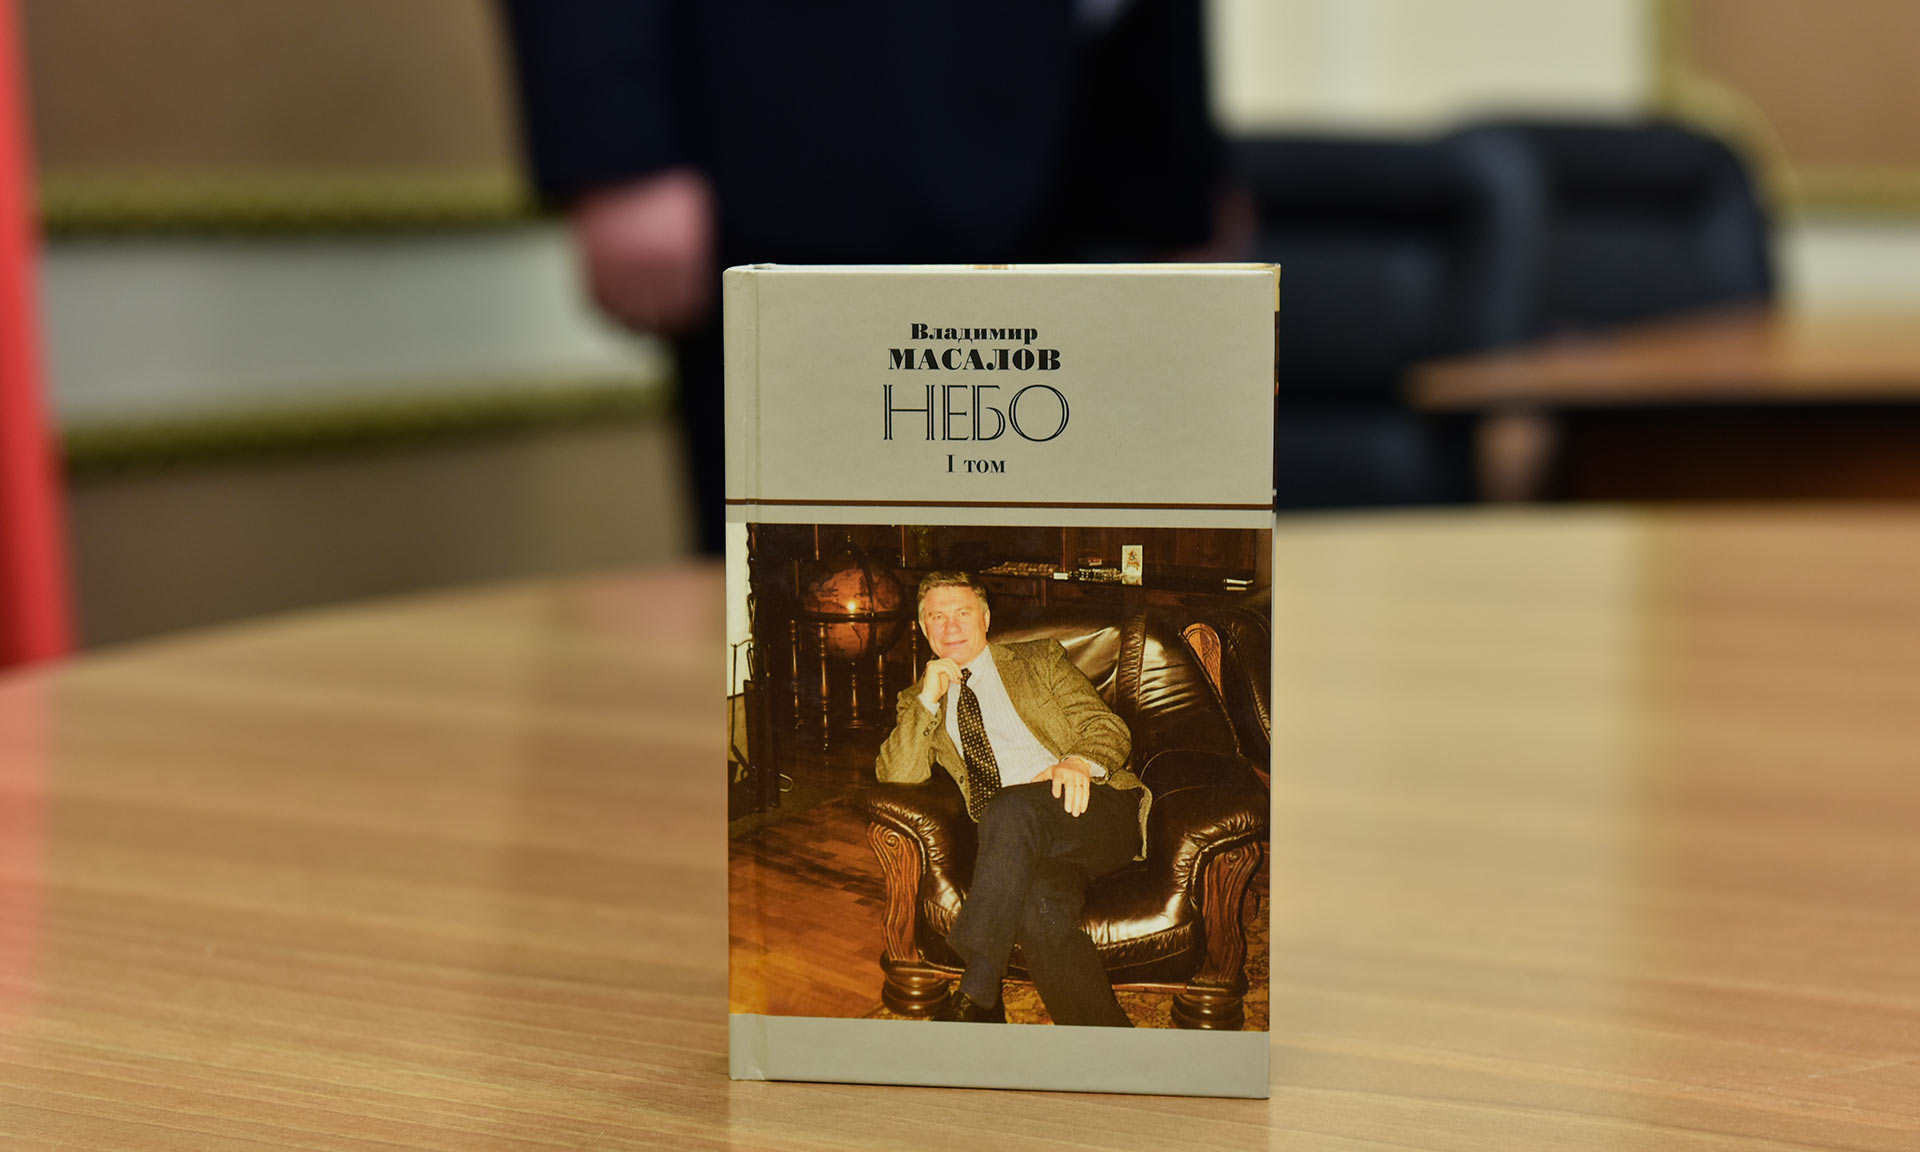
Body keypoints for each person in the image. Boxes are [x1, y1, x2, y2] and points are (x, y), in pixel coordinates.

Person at [495, 1, 1234, 554]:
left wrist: (1181, 173)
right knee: (815, 586)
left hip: (1082, 142)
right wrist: (615, 138)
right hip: (806, 135)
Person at [876, 572, 1151, 1026]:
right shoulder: (919, 699)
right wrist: (927, 701)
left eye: (962, 613)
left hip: (1089, 808)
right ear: (924, 629)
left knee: (1010, 806)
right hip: (1015, 848)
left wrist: (1078, 762)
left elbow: (1107, 726)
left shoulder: (1039, 660)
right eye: (937, 618)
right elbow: (896, 774)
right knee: (1039, 909)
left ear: (985, 618)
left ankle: (978, 986)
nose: (950, 627)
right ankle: (1108, 1044)